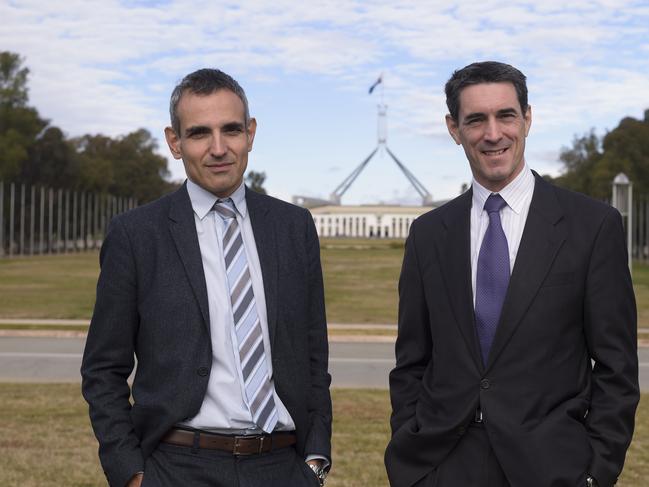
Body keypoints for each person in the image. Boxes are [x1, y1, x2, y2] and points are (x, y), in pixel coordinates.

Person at [385, 61, 639, 487]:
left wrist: (596, 472)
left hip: (551, 467)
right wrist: (413, 463)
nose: (493, 134)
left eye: (506, 115)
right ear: (454, 128)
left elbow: (616, 367)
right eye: (476, 120)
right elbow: (412, 361)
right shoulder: (428, 234)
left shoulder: (592, 226)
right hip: (442, 464)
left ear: (527, 118)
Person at [81, 68, 331, 487]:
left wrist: (315, 460)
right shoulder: (137, 235)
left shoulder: (294, 227)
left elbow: (313, 355)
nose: (219, 148)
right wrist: (131, 474)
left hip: (282, 467)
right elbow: (103, 369)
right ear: (174, 142)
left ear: (250, 133)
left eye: (231, 130)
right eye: (199, 133)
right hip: (177, 466)